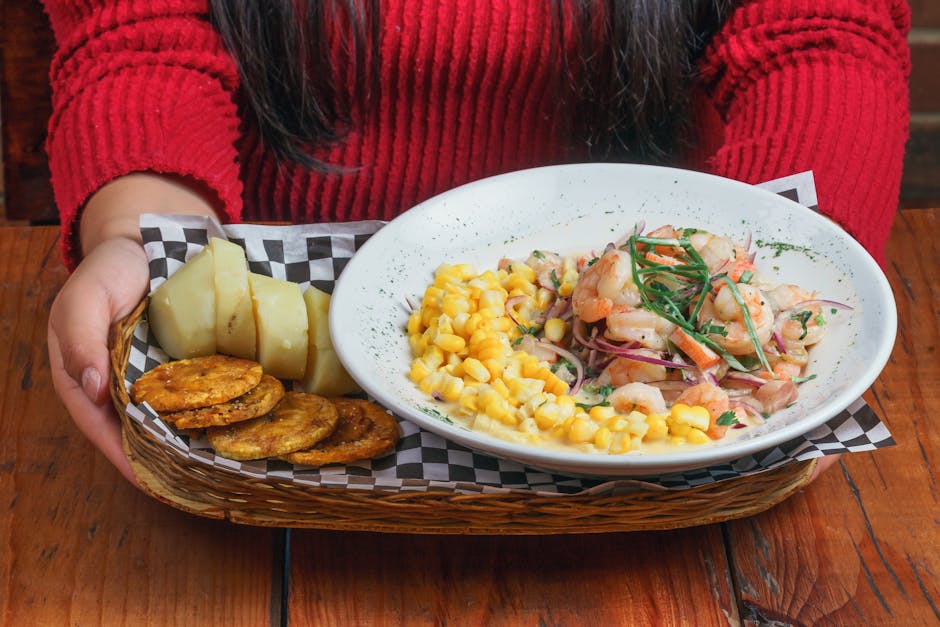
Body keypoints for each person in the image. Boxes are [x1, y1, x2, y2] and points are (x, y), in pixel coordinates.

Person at [42, 0, 910, 485]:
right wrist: (138, 238)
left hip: (693, 463)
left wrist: (773, 258)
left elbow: (822, 33)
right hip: (280, 297)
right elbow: (142, 34)